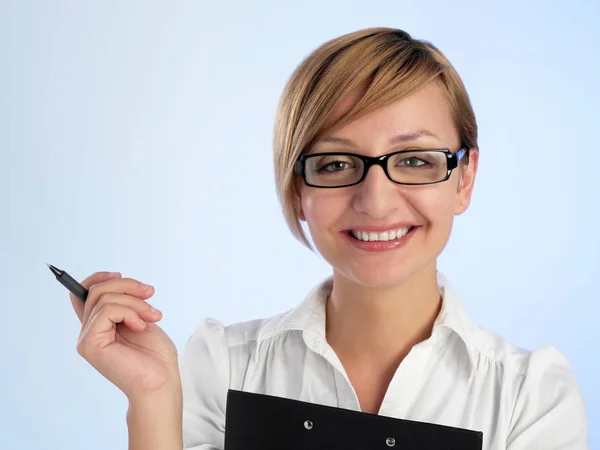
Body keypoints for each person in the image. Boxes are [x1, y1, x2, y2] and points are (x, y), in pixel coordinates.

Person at [70, 27, 589, 450]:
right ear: (297, 189)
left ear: (464, 178)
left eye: (413, 160)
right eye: (337, 163)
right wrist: (153, 398)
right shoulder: (222, 367)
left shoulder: (530, 397)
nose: (377, 200)